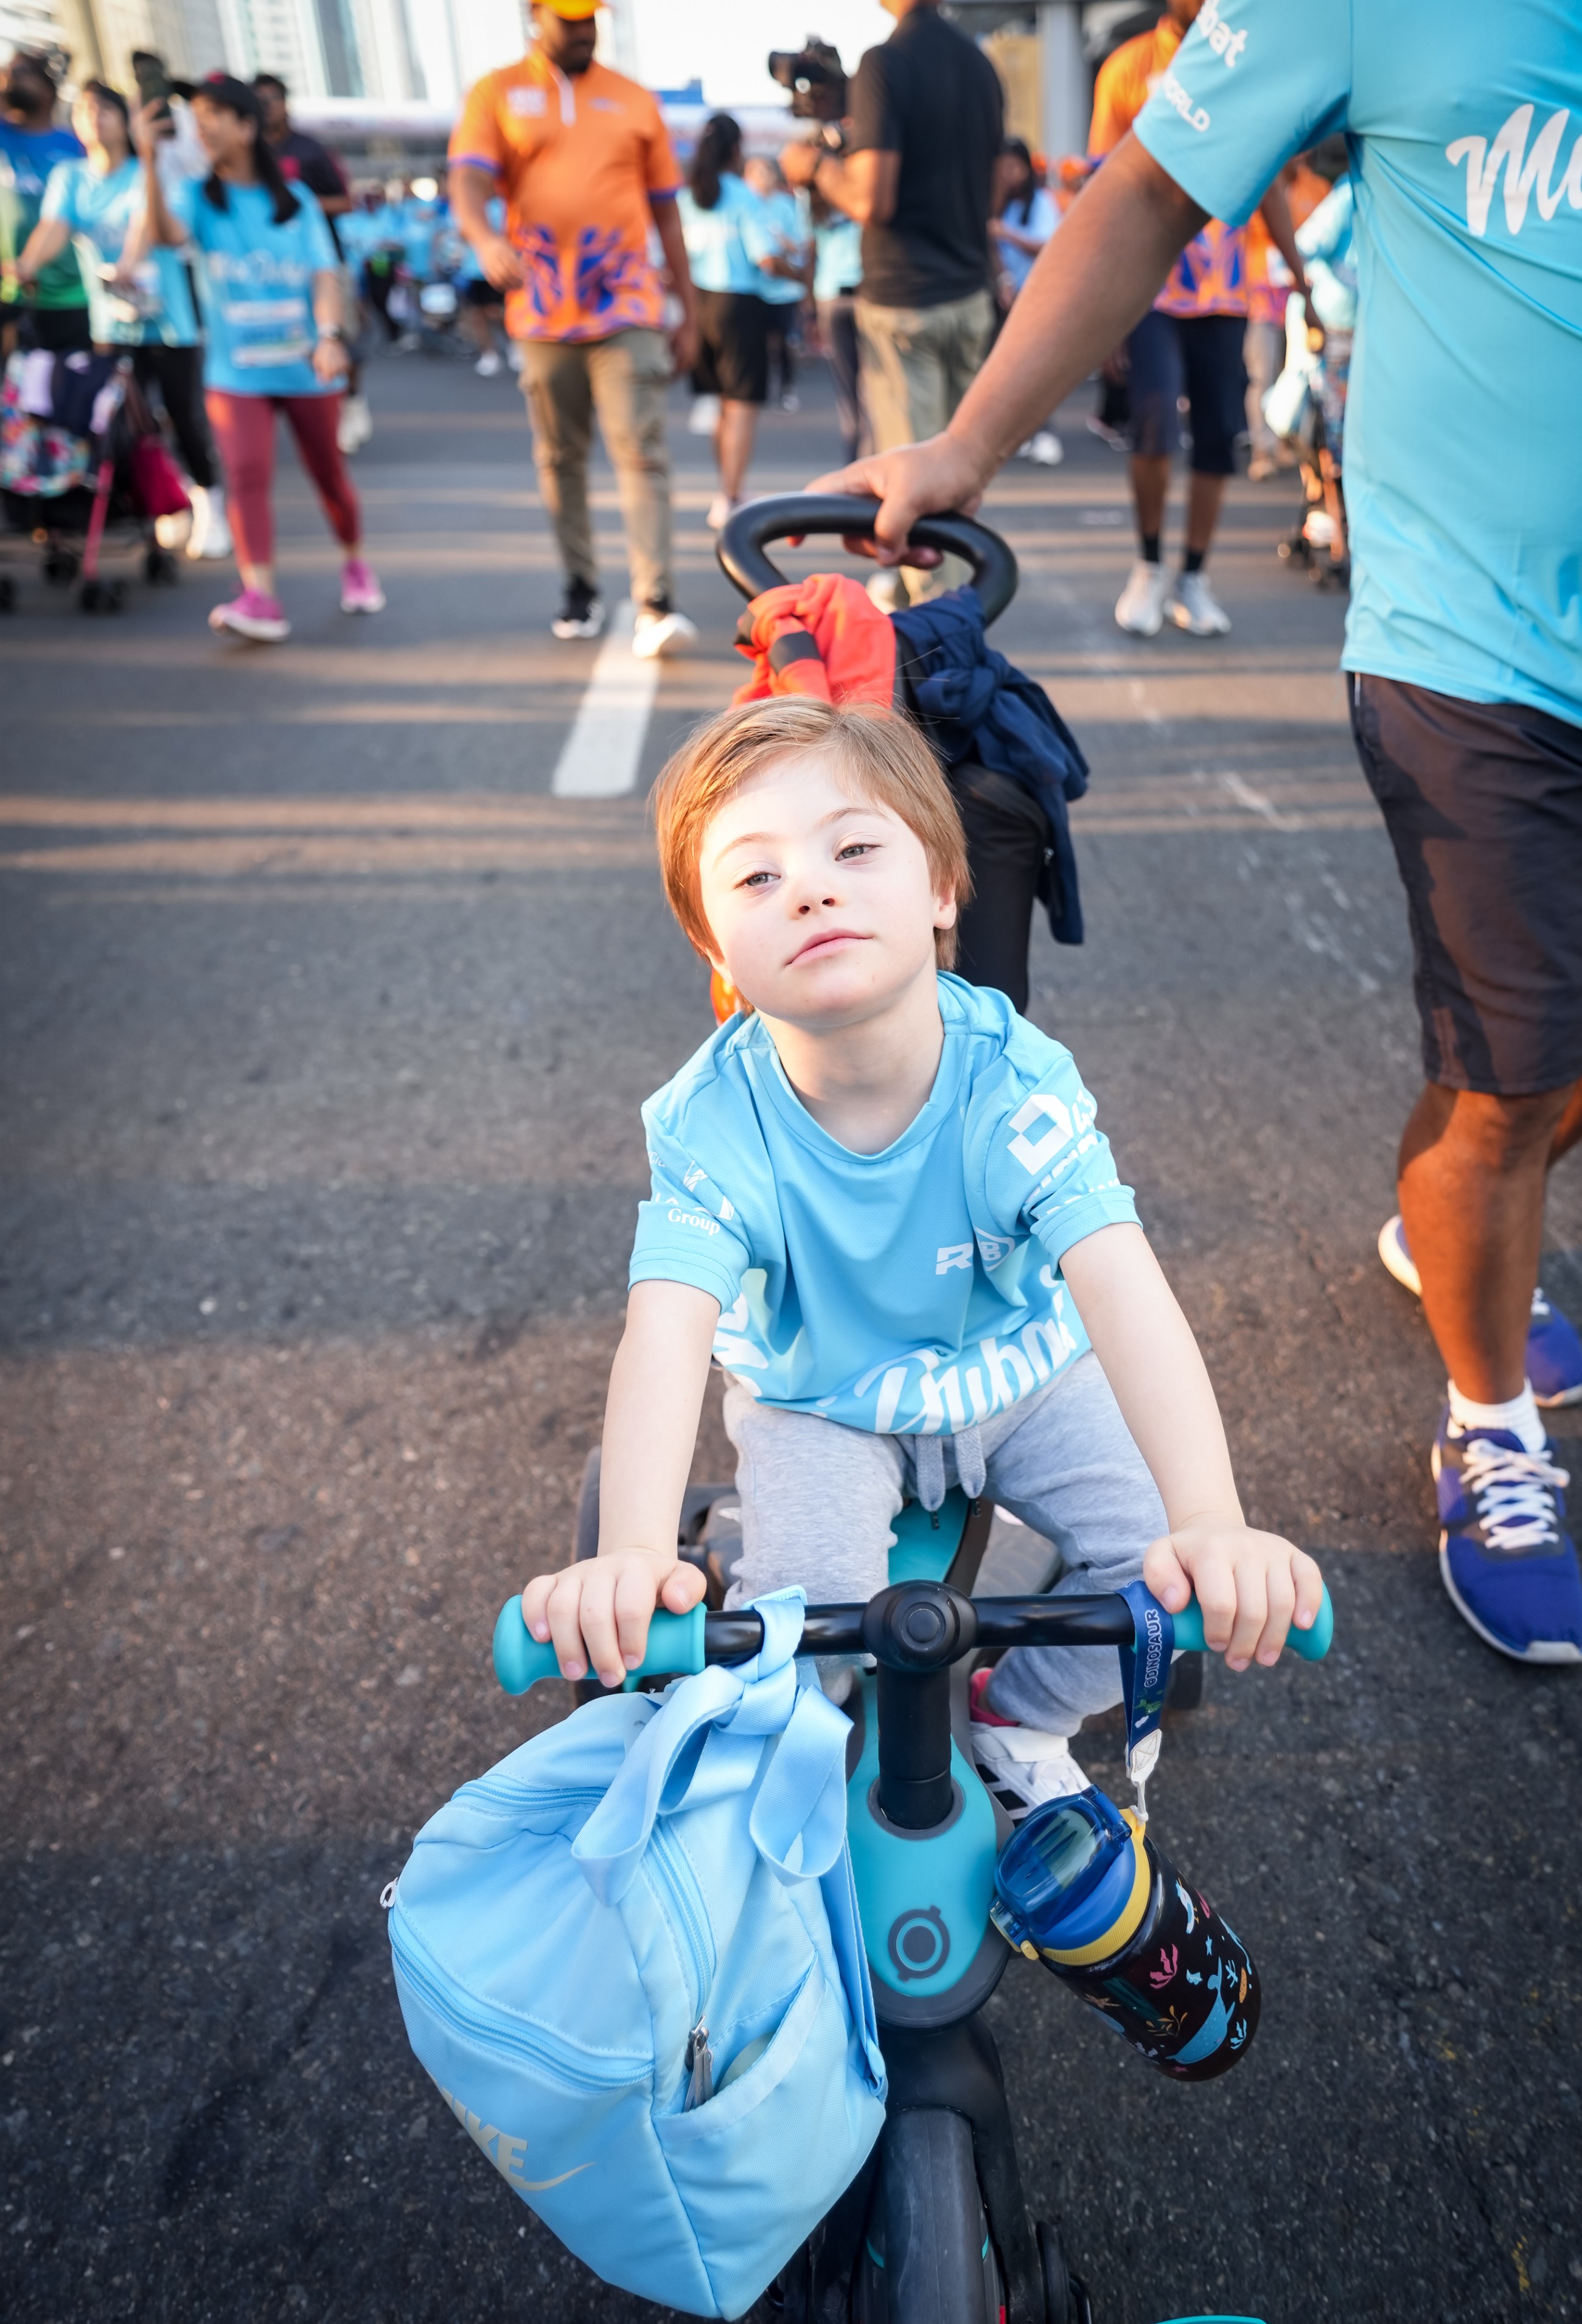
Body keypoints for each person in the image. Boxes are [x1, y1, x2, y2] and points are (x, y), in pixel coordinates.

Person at [805, 0, 1582, 1663]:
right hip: (1481, 643)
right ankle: (1490, 1421)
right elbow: (1147, 191)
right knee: (1520, 1071)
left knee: (1544, 1065)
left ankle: (1463, 1220)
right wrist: (966, 442)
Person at [520, 696, 1324, 1810]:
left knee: (1153, 1564)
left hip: (1023, 1366)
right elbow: (664, 1332)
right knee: (814, 1623)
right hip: (824, 1397)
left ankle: (1018, 1714)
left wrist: (1213, 1518)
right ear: (712, 943)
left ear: (942, 889)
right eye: (755, 877)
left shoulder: (1013, 1083)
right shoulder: (712, 1122)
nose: (809, 886)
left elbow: (1125, 1288)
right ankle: (786, 1759)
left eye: (854, 848)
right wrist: (635, 1551)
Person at [449, 0, 699, 658]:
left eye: (591, 18)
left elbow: (667, 215)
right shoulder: (496, 92)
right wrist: (480, 238)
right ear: (535, 16)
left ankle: (655, 601)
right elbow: (469, 181)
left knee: (641, 451)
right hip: (541, 311)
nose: (584, 30)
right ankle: (580, 584)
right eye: (569, 19)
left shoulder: (634, 101)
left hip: (627, 307)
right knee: (560, 459)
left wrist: (690, 312)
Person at [1086, 0, 1317, 638]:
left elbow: (1267, 176)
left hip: (1226, 293)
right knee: (1154, 427)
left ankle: (1192, 576)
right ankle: (1147, 565)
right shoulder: (1127, 69)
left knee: (1218, 441)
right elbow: (1105, 186)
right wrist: (1100, 305)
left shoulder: (1244, 62)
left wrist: (1299, 276)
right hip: (1150, 290)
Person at [133, 74, 383, 644]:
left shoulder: (294, 201)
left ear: (247, 127)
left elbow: (324, 273)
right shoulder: (195, 196)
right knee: (245, 476)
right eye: (196, 119)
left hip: (305, 367)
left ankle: (354, 563)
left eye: (214, 116)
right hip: (235, 374)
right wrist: (148, 161)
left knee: (330, 478)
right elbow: (167, 237)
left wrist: (327, 335)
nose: (202, 129)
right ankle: (261, 597)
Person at [781, 0, 1003, 605]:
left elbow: (869, 199)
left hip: (906, 302)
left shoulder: (884, 63)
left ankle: (942, 654)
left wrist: (814, 165)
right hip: (968, 295)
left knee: (915, 489)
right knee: (958, 482)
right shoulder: (979, 65)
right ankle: (950, 619)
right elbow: (996, 180)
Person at [18, 77, 228, 559]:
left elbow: (144, 227)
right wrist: (24, 267)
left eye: (104, 109)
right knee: (126, 423)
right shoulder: (70, 177)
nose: (94, 118)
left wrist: (129, 265)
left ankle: (211, 505)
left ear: (125, 120)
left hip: (168, 319)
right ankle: (166, 504)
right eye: (84, 110)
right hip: (111, 323)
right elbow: (54, 228)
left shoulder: (149, 174)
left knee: (182, 414)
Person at [251, 71, 369, 455]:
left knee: (338, 336)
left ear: (285, 103)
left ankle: (352, 403)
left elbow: (345, 201)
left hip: (325, 263)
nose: (267, 108)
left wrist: (297, 205)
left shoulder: (311, 151)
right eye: (260, 101)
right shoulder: (250, 155)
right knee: (294, 344)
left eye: (273, 99)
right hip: (275, 270)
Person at [677, 116, 782, 532]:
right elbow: (767, 259)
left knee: (722, 405)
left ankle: (729, 489)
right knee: (741, 407)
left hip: (700, 304)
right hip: (738, 306)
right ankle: (730, 494)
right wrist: (801, 274)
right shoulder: (743, 197)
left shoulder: (689, 199)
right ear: (736, 150)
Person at [0, 47, 88, 354]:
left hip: (73, 293)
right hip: (11, 293)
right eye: (7, 72)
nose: (10, 79)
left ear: (49, 90)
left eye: (22, 73)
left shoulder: (76, 144)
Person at [992, 139, 1062, 469]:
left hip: (1039, 296)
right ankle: (1017, 434)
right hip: (1007, 296)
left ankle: (1044, 432)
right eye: (1002, 168)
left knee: (1037, 368)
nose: (1008, 175)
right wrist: (1004, 280)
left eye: (1013, 167)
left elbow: (1047, 247)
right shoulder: (997, 203)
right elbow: (990, 250)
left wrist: (1005, 233)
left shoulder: (1044, 203)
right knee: (1006, 370)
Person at [743, 153, 810, 411]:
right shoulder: (747, 205)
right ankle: (758, 388)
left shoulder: (786, 205)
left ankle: (787, 387)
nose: (761, 180)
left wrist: (785, 246)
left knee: (785, 341)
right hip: (756, 288)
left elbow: (801, 244)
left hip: (784, 289)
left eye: (765, 173)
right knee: (756, 342)